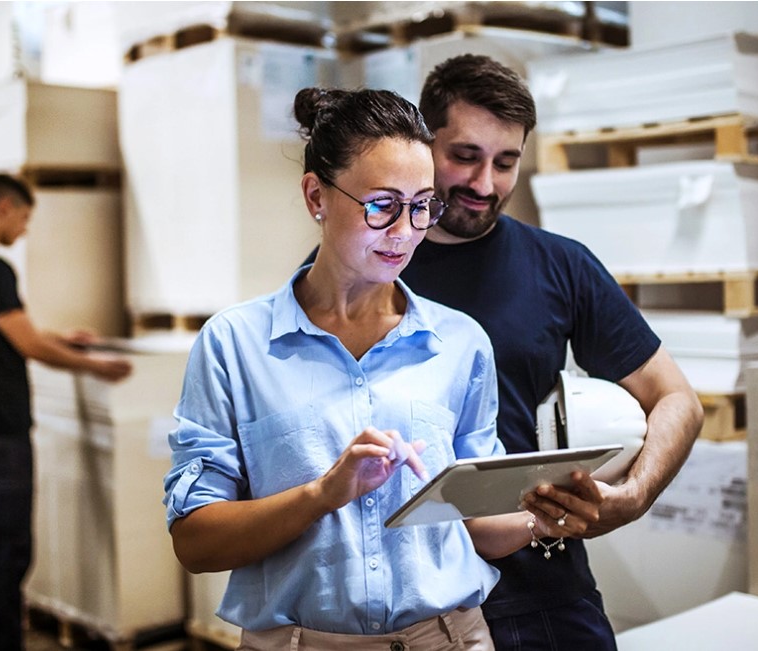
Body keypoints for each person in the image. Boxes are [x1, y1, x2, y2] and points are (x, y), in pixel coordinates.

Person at [163, 87, 566, 651]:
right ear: (316, 196)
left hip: (449, 639)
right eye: (382, 204)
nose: (405, 232)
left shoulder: (459, 343)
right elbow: (196, 544)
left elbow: (475, 523)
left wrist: (546, 515)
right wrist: (324, 493)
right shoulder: (235, 345)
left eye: (423, 204)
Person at [404, 54, 706, 650]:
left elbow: (677, 400)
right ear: (422, 139)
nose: (484, 184)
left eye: (506, 162)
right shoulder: (371, 264)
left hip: (541, 589)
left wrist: (633, 496)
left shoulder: (560, 264)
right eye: (464, 156)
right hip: (409, 597)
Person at [0, 173, 133, 650]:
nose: (23, 230)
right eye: (23, 218)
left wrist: (62, 337)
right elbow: (25, 344)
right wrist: (94, 366)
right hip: (2, 431)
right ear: (3, 208)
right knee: (6, 552)